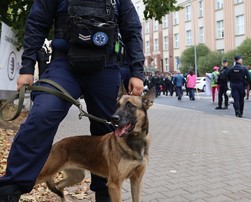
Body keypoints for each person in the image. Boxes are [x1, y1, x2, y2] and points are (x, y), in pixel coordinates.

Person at [0, 0, 145, 201]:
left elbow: (132, 31)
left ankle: (105, 195)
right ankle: (10, 189)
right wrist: (26, 68)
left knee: (111, 128)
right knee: (42, 115)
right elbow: (36, 23)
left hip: (106, 66)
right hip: (64, 65)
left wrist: (137, 71)